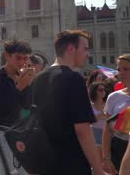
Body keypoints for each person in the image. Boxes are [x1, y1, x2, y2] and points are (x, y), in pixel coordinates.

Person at [31, 30, 104, 175]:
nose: (87, 54)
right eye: (85, 49)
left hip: (44, 162)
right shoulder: (74, 79)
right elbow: (83, 130)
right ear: (71, 49)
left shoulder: (38, 79)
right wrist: (98, 169)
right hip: (70, 163)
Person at [0, 39, 34, 175]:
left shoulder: (22, 76)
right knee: (9, 171)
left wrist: (27, 85)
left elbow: (27, 105)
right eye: (18, 58)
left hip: (17, 133)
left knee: (19, 170)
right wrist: (19, 87)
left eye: (25, 58)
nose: (22, 62)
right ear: (7, 56)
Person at [103, 54, 130, 174]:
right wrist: (106, 158)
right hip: (119, 149)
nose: (121, 73)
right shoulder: (114, 97)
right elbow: (107, 129)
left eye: (126, 69)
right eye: (119, 69)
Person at [89, 82, 108, 166]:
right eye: (100, 90)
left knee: (108, 160)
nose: (103, 91)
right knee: (100, 161)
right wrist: (103, 115)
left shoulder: (108, 103)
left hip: (108, 133)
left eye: (104, 89)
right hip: (95, 132)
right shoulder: (89, 105)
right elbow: (89, 120)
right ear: (94, 91)